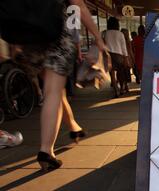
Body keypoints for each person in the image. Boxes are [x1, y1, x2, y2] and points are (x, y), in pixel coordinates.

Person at [14, 0, 105, 171]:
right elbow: (77, 5)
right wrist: (97, 37)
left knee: (54, 91)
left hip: (29, 37)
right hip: (56, 35)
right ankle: (46, 151)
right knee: (53, 92)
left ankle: (73, 126)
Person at [104, 17, 129, 97]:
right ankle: (122, 88)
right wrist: (126, 58)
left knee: (112, 74)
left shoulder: (105, 33)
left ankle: (115, 91)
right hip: (119, 55)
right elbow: (123, 47)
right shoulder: (120, 34)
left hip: (109, 55)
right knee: (120, 73)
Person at [121, 28, 134, 92]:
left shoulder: (120, 41)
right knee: (126, 72)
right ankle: (126, 86)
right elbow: (130, 51)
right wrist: (133, 59)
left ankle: (123, 86)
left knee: (122, 72)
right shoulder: (128, 41)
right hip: (127, 58)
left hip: (121, 57)